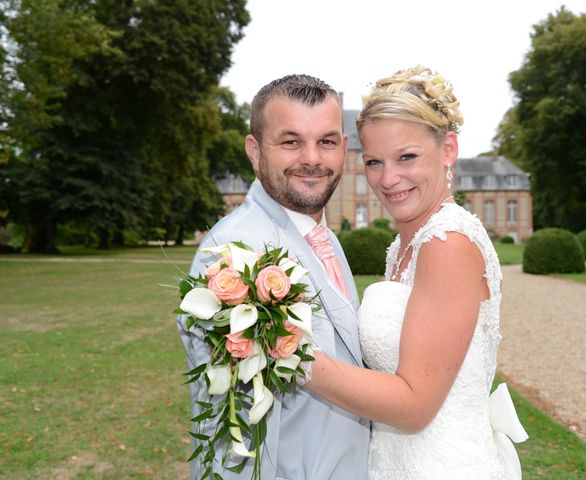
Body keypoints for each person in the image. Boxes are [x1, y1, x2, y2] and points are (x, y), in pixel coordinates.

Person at [304, 66, 528, 479]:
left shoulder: (447, 244)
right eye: (374, 162)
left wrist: (292, 356)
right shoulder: (405, 246)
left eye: (407, 156)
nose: (388, 180)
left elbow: (413, 406)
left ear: (448, 150)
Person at [176, 74, 369, 480]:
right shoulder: (233, 255)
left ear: (345, 149)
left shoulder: (324, 237)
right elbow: (233, 430)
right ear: (254, 149)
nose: (312, 158)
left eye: (327, 141)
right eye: (291, 141)